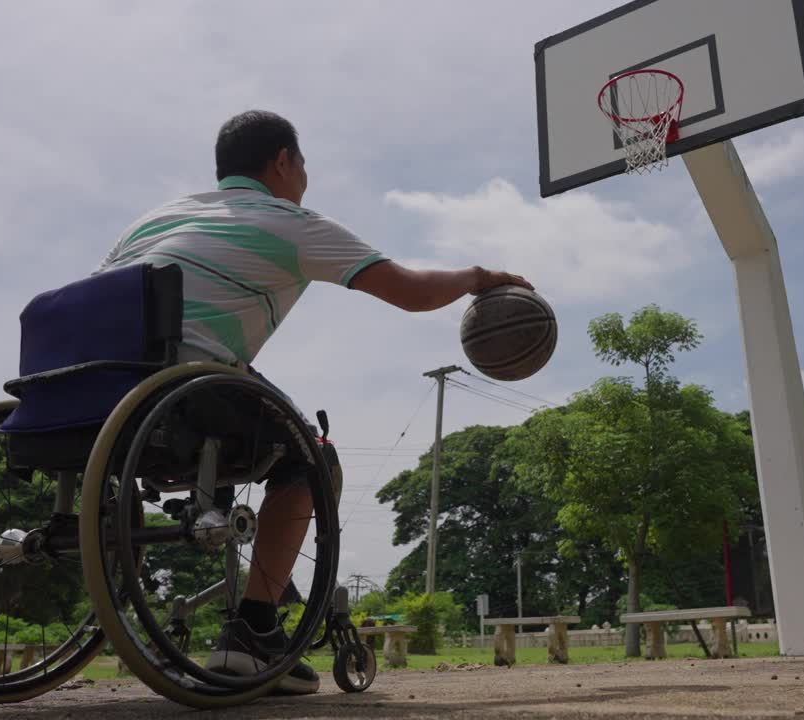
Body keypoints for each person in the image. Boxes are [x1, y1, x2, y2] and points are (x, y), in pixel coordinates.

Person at [95, 110, 532, 695]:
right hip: (177, 397)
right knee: (313, 459)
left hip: (95, 397)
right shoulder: (288, 221)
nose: (305, 178)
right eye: (302, 165)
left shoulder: (156, 217)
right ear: (282, 161)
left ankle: (246, 584)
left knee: (260, 404)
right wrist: (479, 275)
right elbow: (410, 290)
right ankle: (251, 630)